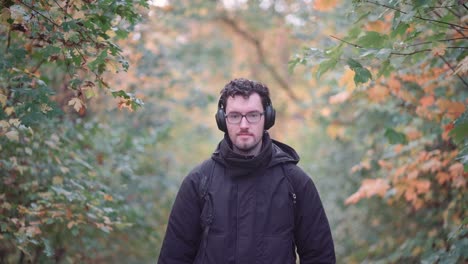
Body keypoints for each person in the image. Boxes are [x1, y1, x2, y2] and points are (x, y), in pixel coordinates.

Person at [158, 78, 335, 264]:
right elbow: (173, 258)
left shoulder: (296, 183)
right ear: (222, 120)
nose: (243, 125)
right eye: (234, 116)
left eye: (252, 115)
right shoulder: (198, 182)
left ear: (267, 117)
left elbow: (320, 257)